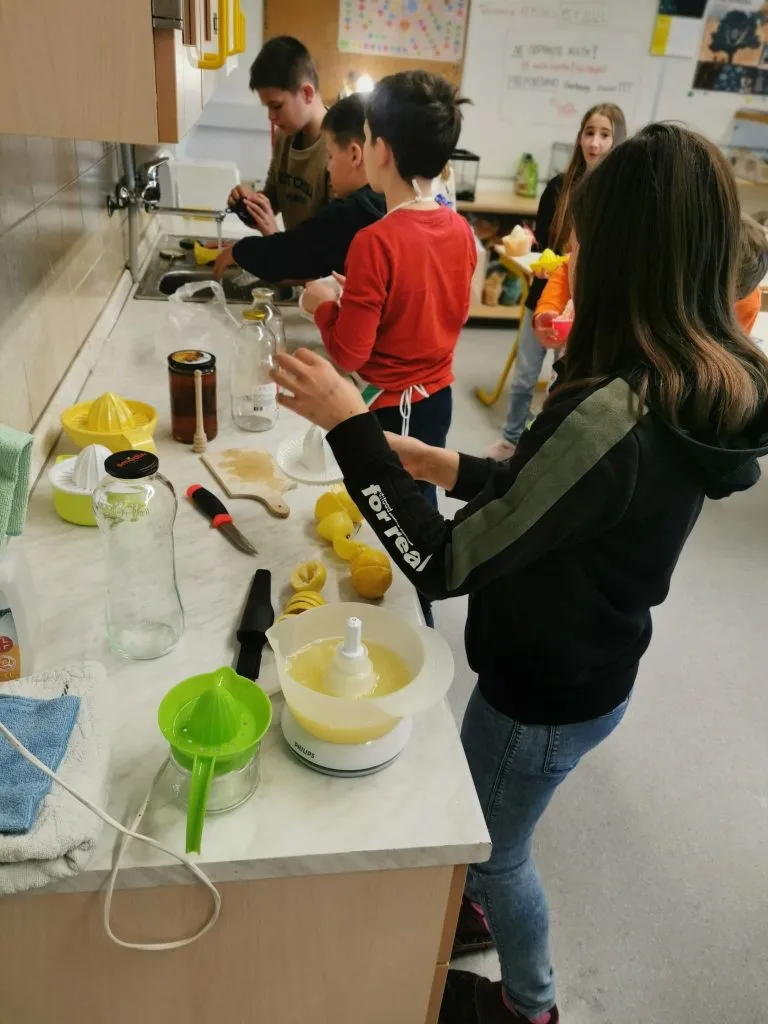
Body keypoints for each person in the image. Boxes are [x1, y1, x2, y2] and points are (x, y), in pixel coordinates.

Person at [271, 123, 768, 1023]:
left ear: (626, 257)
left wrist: (350, 426)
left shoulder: (614, 409)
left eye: (587, 241)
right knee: (491, 822)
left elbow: (443, 561)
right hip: (592, 663)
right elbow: (565, 493)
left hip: (542, 692)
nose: (572, 257)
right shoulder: (678, 383)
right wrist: (446, 466)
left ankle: (528, 1004)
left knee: (501, 852)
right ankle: (472, 896)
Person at [300, 70, 477, 624]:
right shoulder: (460, 230)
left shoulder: (374, 241)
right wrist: (361, 298)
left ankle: (410, 618)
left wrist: (322, 304)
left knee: (389, 515)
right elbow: (444, 309)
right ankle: (421, 610)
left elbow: (350, 355)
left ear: (382, 150)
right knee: (421, 504)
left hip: (389, 406)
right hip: (437, 397)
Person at [486, 103, 627, 461]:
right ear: (579, 137)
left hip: (581, 305)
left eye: (605, 135)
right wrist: (538, 262)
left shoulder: (618, 196)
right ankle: (510, 439)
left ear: (618, 140)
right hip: (541, 298)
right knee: (524, 376)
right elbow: (542, 247)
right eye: (589, 133)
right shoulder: (557, 188)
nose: (594, 143)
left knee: (564, 383)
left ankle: (546, 447)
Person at [214, 95, 385, 282]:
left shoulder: (351, 213)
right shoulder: (388, 201)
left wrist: (238, 251)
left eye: (330, 156)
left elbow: (287, 254)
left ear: (354, 155)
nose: (328, 167)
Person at [226, 36, 331, 236]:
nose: (271, 117)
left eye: (277, 106)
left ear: (307, 93)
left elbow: (332, 243)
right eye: (267, 107)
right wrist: (248, 204)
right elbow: (273, 199)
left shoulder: (337, 149)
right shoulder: (285, 136)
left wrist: (274, 237)